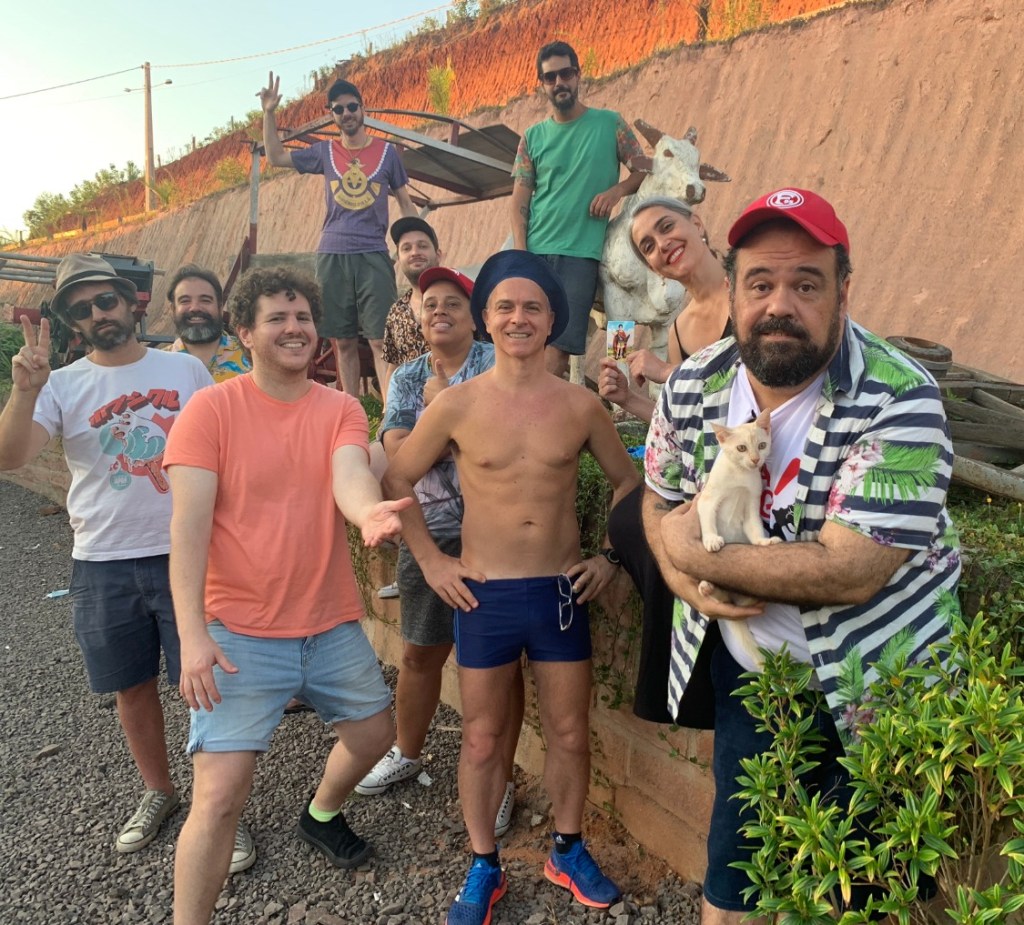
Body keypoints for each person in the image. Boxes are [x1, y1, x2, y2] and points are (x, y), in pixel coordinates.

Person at [641, 188, 961, 923]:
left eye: (806, 284)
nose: (779, 304)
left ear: (844, 291)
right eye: (760, 283)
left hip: (880, 689)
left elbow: (849, 570)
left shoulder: (900, 397)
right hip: (754, 679)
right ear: (733, 290)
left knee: (864, 902)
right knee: (734, 890)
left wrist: (693, 553)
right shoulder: (693, 383)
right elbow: (657, 499)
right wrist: (674, 563)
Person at [383, 250, 639, 925]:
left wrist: (610, 557)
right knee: (480, 738)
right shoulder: (456, 405)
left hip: (559, 594)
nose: (518, 317)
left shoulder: (580, 406)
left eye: (532, 307)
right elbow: (396, 479)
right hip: (484, 595)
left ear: (552, 320)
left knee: (570, 733)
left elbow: (629, 481)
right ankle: (484, 863)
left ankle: (567, 849)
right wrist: (432, 562)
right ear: (486, 319)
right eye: (505, 306)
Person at [165, 266, 410, 925]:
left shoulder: (340, 407)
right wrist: (192, 635)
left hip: (329, 625)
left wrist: (367, 512)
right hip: (237, 633)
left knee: (374, 733)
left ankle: (320, 811)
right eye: (276, 317)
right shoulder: (210, 411)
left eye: (303, 316)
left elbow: (349, 471)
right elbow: (187, 532)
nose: (295, 327)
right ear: (244, 333)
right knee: (219, 798)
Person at [0, 253, 213, 855]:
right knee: (130, 685)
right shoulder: (60, 385)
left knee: (206, 686)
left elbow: (223, 453)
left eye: (105, 300)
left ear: (130, 302)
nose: (97, 314)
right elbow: (9, 457)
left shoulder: (186, 371)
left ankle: (216, 805)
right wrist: (23, 392)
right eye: (81, 309)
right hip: (102, 560)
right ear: (72, 323)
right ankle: (158, 789)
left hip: (187, 555)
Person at [356, 267, 522, 841]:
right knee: (420, 652)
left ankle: (501, 779)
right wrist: (448, 418)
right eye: (430, 304)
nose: (439, 311)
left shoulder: (497, 363)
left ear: (475, 316)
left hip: (496, 535)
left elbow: (503, 443)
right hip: (429, 530)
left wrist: (440, 420)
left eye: (453, 302)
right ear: (419, 318)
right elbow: (399, 453)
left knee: (501, 667)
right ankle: (408, 751)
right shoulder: (406, 376)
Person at [597, 196, 732, 722]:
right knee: (632, 519)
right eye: (648, 246)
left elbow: (755, 386)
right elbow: (682, 421)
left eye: (666, 227)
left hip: (752, 468)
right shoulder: (679, 327)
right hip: (703, 473)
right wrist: (631, 399)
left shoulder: (750, 292)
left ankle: (691, 683)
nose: (661, 246)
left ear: (697, 222)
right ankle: (677, 677)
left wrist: (667, 373)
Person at [258, 71, 417, 396]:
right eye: (339, 109)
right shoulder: (325, 152)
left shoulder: (387, 153)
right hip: (332, 255)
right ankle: (351, 410)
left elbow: (405, 201)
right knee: (343, 342)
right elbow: (275, 157)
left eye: (352, 106)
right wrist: (269, 113)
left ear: (363, 109)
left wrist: (417, 242)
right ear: (332, 115)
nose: (347, 113)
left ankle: (391, 414)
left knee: (380, 340)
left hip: (373, 254)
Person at [511, 40, 650, 378]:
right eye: (550, 77)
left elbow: (644, 168)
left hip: (580, 255)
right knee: (525, 340)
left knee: (558, 348)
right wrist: (520, 251)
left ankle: (619, 390)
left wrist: (617, 191)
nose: (559, 82)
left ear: (578, 75)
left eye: (566, 73)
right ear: (542, 84)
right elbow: (519, 199)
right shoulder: (532, 137)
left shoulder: (610, 124)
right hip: (536, 251)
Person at [380, 216, 443, 398]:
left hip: (458, 405)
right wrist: (388, 407)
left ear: (438, 255)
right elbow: (393, 366)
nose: (415, 252)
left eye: (422, 246)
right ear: (399, 260)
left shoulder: (462, 301)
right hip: (409, 410)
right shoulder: (396, 312)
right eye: (406, 248)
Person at [166, 263, 251, 381]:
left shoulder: (252, 357)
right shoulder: (157, 365)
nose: (195, 308)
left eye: (205, 300)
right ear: (172, 310)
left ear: (220, 308)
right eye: (185, 301)